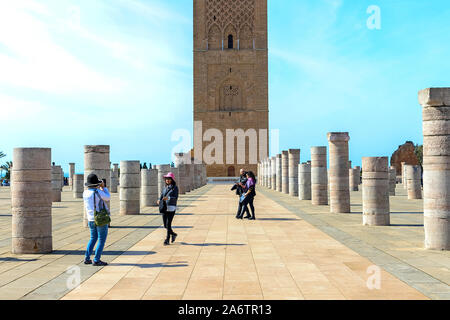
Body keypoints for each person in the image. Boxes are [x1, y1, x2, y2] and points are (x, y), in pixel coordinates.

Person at [83, 174, 111, 266]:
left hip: (90, 219)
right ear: (96, 184)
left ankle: (87, 258)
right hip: (100, 219)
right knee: (101, 240)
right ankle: (96, 259)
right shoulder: (97, 192)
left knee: (92, 238)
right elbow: (108, 197)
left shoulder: (85, 193)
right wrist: (104, 187)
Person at [157, 172, 179, 245]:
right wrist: (159, 200)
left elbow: (175, 197)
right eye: (166, 179)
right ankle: (173, 234)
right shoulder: (164, 188)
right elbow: (161, 195)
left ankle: (167, 239)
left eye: (169, 179)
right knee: (165, 225)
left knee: (168, 224)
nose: (167, 180)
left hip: (171, 208)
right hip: (164, 207)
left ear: (172, 180)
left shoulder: (175, 188)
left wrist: (168, 198)